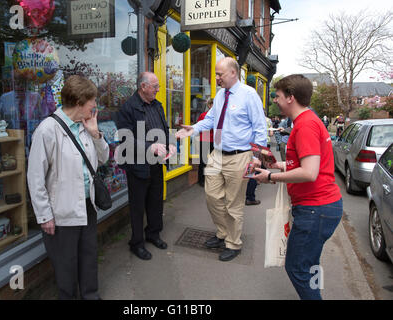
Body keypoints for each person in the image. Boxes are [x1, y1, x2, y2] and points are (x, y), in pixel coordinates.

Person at [253, 74, 342, 300]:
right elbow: (307, 163)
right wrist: (280, 165)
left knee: (296, 268)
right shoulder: (309, 121)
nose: (275, 100)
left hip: (316, 209)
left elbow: (309, 173)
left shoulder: (305, 125)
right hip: (321, 207)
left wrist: (271, 176)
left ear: (291, 98)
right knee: (310, 264)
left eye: (278, 96)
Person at [176, 57, 267, 262]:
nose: (216, 78)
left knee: (234, 204)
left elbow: (260, 129)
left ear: (233, 73)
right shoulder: (220, 95)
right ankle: (223, 232)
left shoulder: (249, 95)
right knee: (212, 196)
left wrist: (256, 157)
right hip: (217, 155)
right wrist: (194, 128)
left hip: (240, 156)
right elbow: (210, 119)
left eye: (220, 74)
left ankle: (233, 243)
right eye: (216, 74)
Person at [27, 75, 109, 300]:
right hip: (61, 211)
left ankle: (91, 295)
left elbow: (103, 158)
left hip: (87, 205)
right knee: (66, 265)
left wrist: (95, 133)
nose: (95, 105)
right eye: (92, 101)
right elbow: (35, 178)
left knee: (89, 257)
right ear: (79, 102)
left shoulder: (85, 126)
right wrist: (45, 216)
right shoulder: (47, 130)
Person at [115, 72, 176, 261]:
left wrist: (171, 143)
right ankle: (137, 243)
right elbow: (126, 139)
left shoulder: (157, 105)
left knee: (156, 201)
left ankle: (153, 234)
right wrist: (151, 147)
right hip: (138, 164)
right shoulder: (128, 108)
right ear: (143, 87)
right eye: (155, 86)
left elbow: (164, 128)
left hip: (157, 163)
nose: (158, 89)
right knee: (137, 206)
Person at [197, 98, 214, 187]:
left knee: (208, 161)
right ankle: (202, 180)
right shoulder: (204, 115)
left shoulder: (204, 115)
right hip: (207, 139)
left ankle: (204, 180)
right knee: (204, 161)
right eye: (212, 104)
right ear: (209, 105)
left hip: (210, 139)